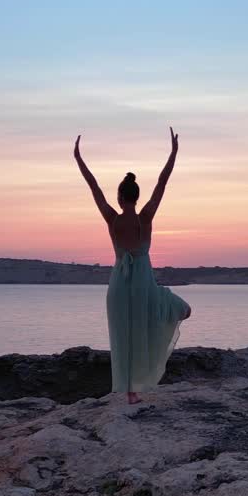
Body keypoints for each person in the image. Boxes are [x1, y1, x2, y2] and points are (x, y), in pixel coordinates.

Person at [74, 128, 192, 404]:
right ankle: (137, 386)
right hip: (142, 283)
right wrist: (174, 153)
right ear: (137, 197)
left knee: (123, 337)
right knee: (174, 314)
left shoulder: (111, 217)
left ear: (119, 197)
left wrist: (78, 158)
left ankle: (130, 392)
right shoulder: (146, 217)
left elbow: (93, 187)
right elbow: (162, 183)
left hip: (118, 284)